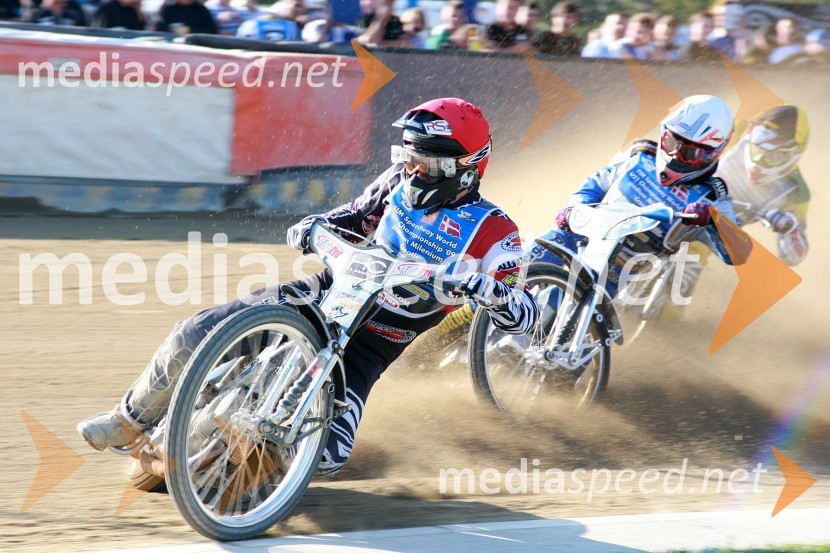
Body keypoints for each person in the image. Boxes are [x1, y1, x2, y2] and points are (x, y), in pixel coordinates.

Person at [77, 98, 540, 478]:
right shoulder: (396, 184)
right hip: (324, 294)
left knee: (329, 455)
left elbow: (527, 314)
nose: (414, 171)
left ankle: (232, 467)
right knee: (194, 333)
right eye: (408, 157)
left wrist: (488, 290)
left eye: (428, 163)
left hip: (374, 342)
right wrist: (315, 225)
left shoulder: (497, 232)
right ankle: (128, 419)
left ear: (468, 167)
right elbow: (354, 217)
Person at [525, 95, 739, 301]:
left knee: (560, 304)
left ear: (713, 152)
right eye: (671, 142)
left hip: (614, 271)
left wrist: (714, 222)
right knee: (514, 270)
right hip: (579, 233)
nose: (674, 155)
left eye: (689, 152)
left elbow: (736, 255)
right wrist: (576, 205)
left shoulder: (714, 198)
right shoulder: (639, 153)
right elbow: (599, 181)